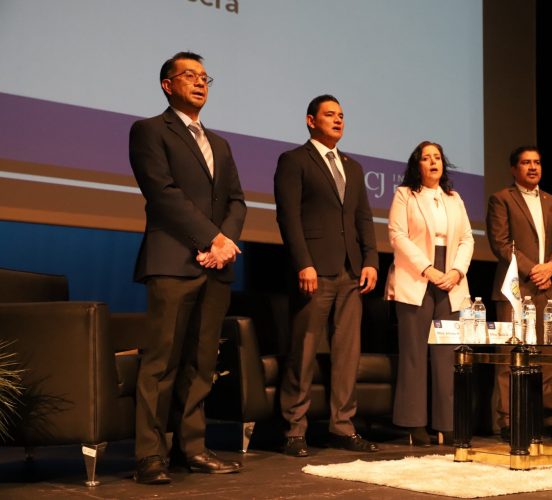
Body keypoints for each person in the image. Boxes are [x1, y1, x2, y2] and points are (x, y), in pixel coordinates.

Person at [129, 51, 246, 484]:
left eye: (204, 77)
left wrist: (224, 245)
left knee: (201, 363)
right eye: (190, 75)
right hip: (173, 260)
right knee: (161, 362)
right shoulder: (148, 130)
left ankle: (192, 448)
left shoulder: (221, 144)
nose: (200, 82)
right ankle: (149, 456)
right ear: (167, 84)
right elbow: (162, 193)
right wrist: (211, 239)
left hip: (216, 265)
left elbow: (236, 201)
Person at [273, 94, 379, 457]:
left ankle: (342, 427)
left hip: (351, 271)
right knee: (303, 350)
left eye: (341, 115)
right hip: (314, 270)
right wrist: (303, 262)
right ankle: (294, 429)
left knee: (348, 353)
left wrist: (370, 260)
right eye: (330, 114)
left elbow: (363, 217)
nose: (338, 120)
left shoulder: (353, 166)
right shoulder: (294, 160)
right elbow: (288, 216)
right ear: (310, 120)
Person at [385, 141, 474, 446]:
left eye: (437, 157)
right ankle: (415, 424)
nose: (433, 162)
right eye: (426, 158)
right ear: (417, 165)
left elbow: (467, 238)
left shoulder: (454, 198)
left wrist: (456, 271)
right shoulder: (405, 195)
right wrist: (427, 269)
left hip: (450, 279)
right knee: (414, 354)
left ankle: (447, 424)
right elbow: (397, 236)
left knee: (447, 355)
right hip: (416, 278)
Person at [486, 145, 552, 442]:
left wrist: (551, 266)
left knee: (549, 358)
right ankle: (508, 421)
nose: (533, 167)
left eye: (537, 162)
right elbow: (501, 243)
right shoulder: (501, 199)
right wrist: (533, 269)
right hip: (515, 288)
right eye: (526, 163)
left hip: (549, 287)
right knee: (510, 356)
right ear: (514, 169)